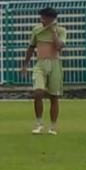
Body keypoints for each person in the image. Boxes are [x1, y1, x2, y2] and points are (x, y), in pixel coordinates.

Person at [22, 7, 66, 135]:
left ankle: (53, 126)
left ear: (51, 18)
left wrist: (53, 33)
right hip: (40, 63)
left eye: (44, 17)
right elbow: (31, 47)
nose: (42, 19)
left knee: (54, 97)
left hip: (54, 63)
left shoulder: (61, 30)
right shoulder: (37, 30)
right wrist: (25, 65)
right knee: (38, 93)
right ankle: (39, 124)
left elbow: (59, 47)